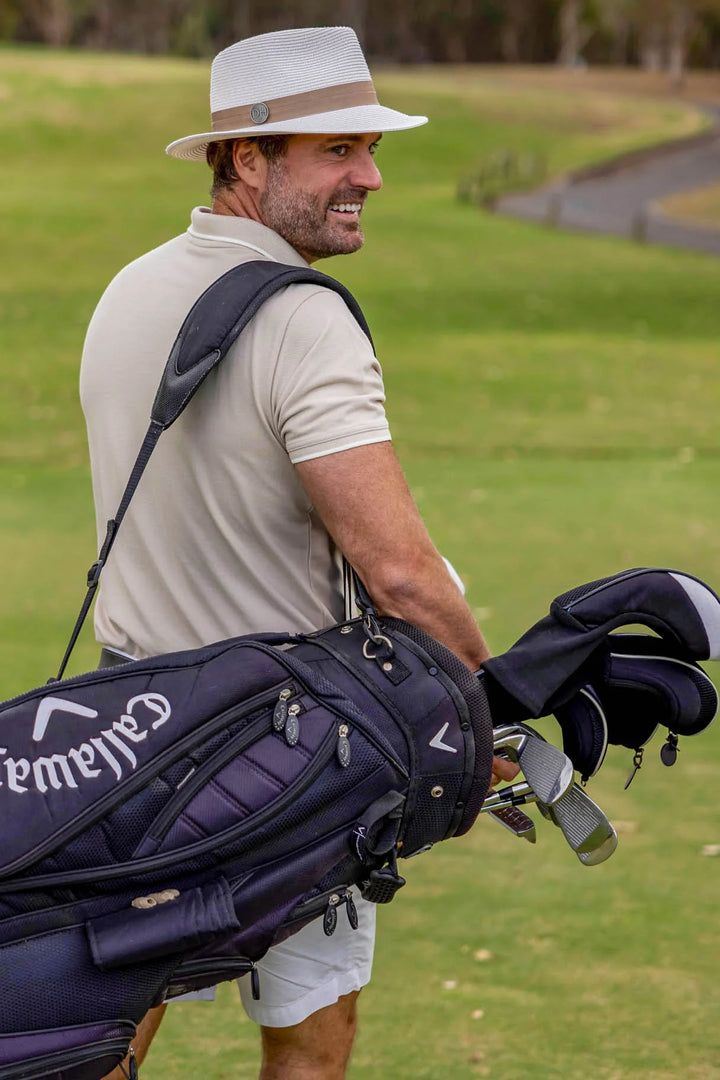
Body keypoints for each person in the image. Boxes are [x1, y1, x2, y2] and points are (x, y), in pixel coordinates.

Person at [80, 25, 516, 1080]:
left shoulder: (128, 288)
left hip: (128, 732)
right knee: (311, 1046)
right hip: (288, 755)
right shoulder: (305, 321)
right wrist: (487, 712)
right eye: (336, 151)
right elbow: (401, 573)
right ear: (248, 159)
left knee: (102, 1027)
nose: (369, 175)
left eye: (370, 149)